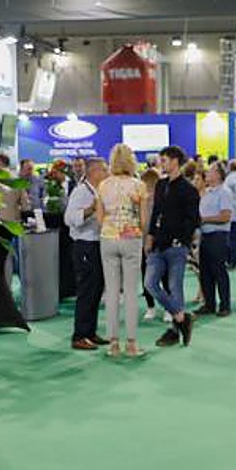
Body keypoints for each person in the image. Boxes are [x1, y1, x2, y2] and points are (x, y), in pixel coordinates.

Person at [97, 144, 150, 358]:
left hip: (108, 239)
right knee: (130, 292)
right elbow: (144, 219)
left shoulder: (103, 186)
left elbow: (99, 218)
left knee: (111, 292)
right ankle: (131, 343)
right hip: (131, 239)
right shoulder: (139, 186)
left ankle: (112, 344)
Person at [146, 145, 199, 348]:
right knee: (150, 283)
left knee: (175, 287)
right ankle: (182, 317)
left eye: (165, 160)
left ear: (175, 161)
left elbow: (193, 219)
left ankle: (175, 329)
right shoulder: (160, 185)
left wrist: (182, 240)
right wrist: (150, 235)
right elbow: (156, 213)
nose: (161, 163)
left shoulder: (189, 190)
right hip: (158, 244)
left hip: (176, 247)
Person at [65, 156, 109, 351]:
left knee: (96, 290)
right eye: (104, 170)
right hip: (84, 245)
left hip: (97, 245)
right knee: (86, 291)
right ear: (94, 172)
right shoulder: (81, 192)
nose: (107, 173)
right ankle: (80, 335)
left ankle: (90, 332)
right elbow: (69, 218)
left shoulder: (98, 191)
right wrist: (90, 210)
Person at [195, 162, 233, 316]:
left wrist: (204, 219)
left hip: (218, 235)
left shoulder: (224, 192)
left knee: (219, 271)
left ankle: (225, 305)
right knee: (205, 272)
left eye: (210, 171)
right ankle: (209, 304)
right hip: (206, 235)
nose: (207, 174)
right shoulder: (207, 192)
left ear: (218, 174)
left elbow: (226, 216)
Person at [139, 166, 162, 321]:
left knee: (164, 277)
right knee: (146, 277)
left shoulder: (163, 201)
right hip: (142, 244)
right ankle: (150, 306)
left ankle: (168, 308)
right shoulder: (141, 201)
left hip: (160, 244)